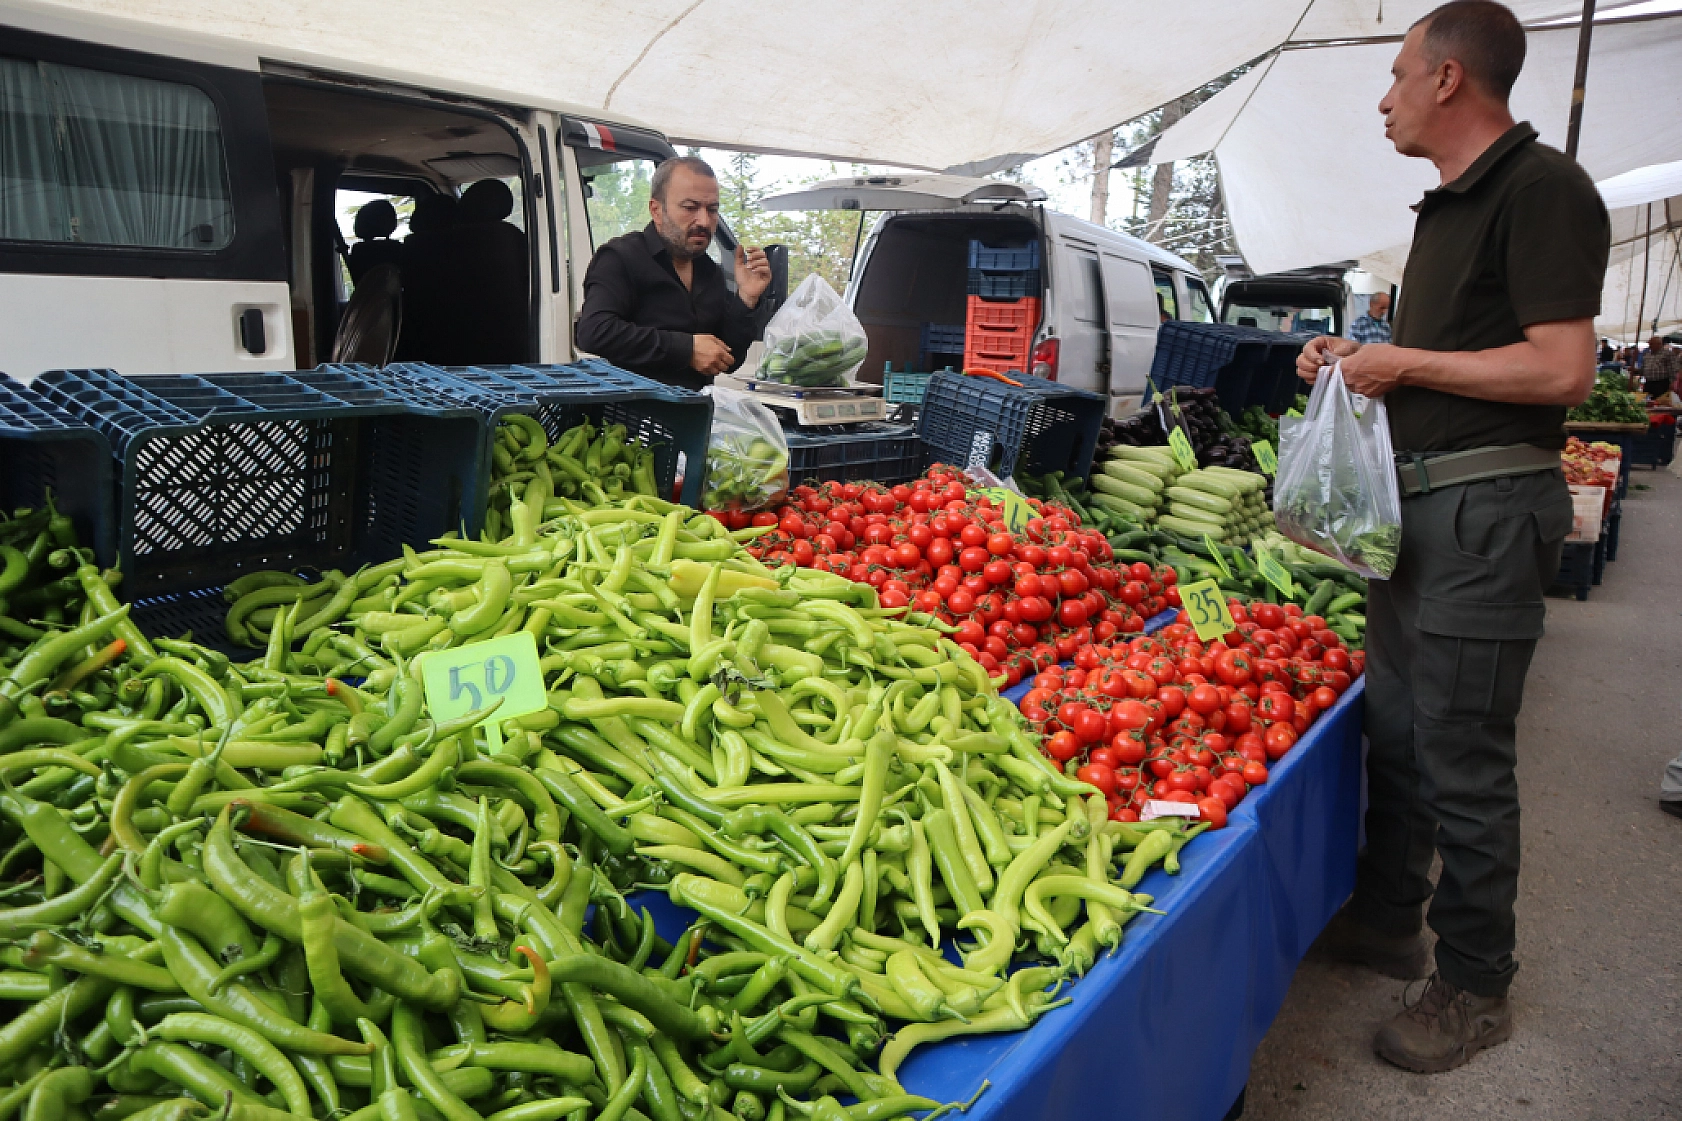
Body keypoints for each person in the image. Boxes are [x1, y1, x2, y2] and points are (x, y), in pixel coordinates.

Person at [1296, 0, 1608, 1075]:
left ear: (1446, 80)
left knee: (1463, 754)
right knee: (1398, 728)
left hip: (1481, 510)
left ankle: (1475, 983)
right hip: (1418, 504)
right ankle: (1387, 917)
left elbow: (1561, 370)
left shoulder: (1541, 188)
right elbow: (1454, 360)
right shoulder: (1446, 207)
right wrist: (1358, 360)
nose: (1381, 97)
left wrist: (1404, 366)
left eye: (1393, 73)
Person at [575, 156, 772, 391]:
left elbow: (727, 360)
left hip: (693, 416)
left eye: (712, 209)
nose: (704, 220)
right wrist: (685, 349)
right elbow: (594, 331)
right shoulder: (621, 257)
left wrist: (747, 300)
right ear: (656, 210)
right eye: (690, 208)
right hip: (627, 417)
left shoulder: (710, 273)